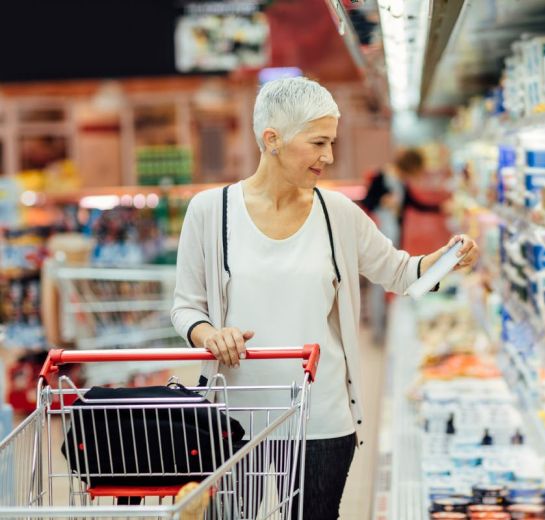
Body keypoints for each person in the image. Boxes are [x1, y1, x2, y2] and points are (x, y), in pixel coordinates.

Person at [170, 76, 479, 519]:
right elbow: (186, 306)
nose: (329, 157)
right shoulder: (209, 211)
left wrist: (447, 258)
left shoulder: (338, 214)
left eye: (330, 142)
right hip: (233, 418)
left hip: (321, 416)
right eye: (318, 143)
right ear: (272, 140)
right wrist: (208, 334)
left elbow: (400, 273)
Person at [361, 148, 445, 342]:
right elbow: (367, 201)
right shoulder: (381, 177)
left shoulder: (402, 183)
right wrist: (383, 201)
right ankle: (377, 330)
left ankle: (384, 326)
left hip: (394, 236)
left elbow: (414, 204)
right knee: (378, 283)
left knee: (390, 279)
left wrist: (439, 207)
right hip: (379, 236)